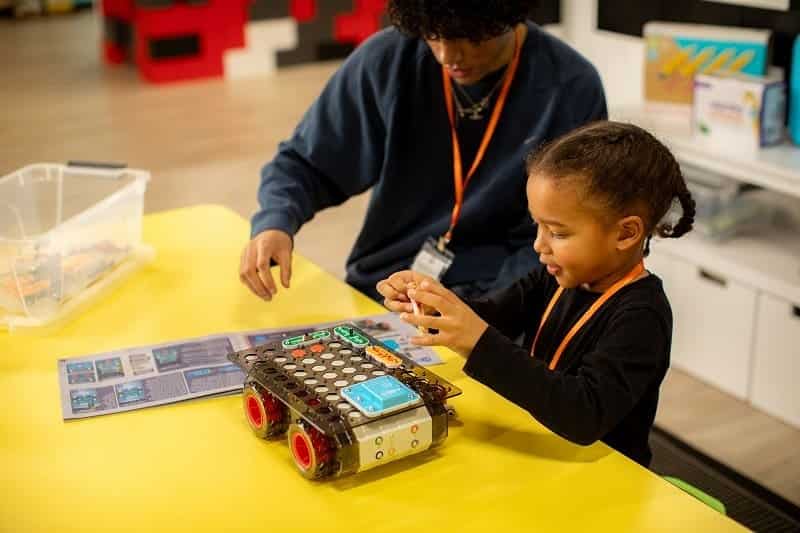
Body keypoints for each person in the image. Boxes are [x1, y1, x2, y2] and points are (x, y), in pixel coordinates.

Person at [240, 0, 607, 302]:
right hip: (388, 288)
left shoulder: (571, 86)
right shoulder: (386, 61)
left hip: (507, 300)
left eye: (467, 38)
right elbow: (306, 163)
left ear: (508, 18)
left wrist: (484, 309)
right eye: (433, 36)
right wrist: (275, 222)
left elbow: (569, 236)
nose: (448, 55)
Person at [376, 121, 696, 467]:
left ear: (626, 233)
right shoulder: (555, 278)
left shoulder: (642, 316)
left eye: (557, 232)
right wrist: (434, 303)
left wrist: (477, 340)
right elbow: (491, 315)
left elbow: (583, 413)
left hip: (601, 477)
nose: (538, 245)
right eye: (538, 225)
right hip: (539, 452)